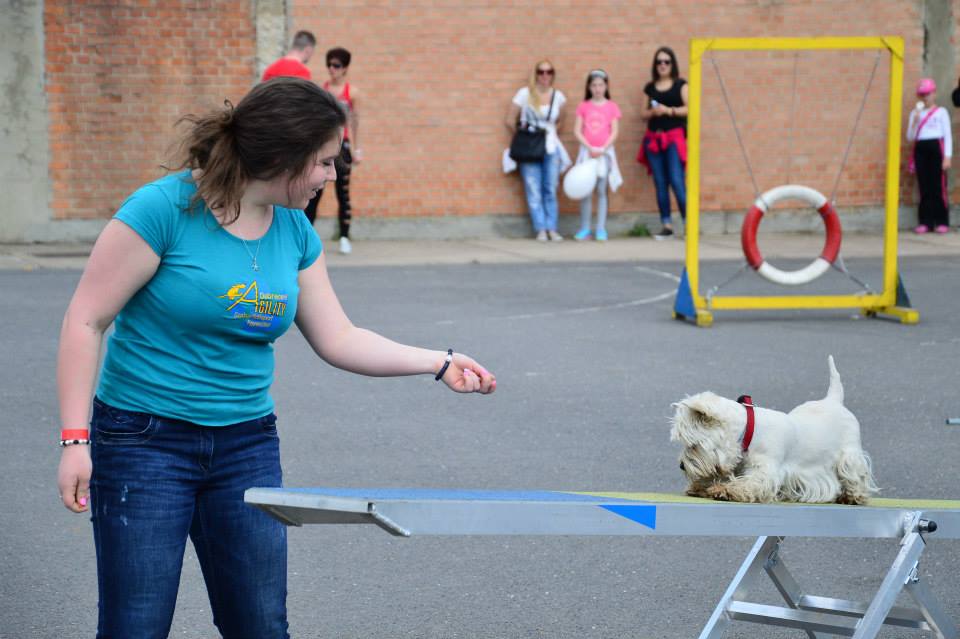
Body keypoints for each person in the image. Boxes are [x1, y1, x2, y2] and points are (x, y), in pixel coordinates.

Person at [55, 77, 496, 639]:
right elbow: (86, 319)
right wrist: (75, 441)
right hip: (144, 442)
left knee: (261, 624)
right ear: (284, 157)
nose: (331, 177)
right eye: (325, 163)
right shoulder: (163, 209)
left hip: (246, 444)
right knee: (135, 626)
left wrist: (438, 361)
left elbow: (338, 335)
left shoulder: (294, 230)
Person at [304, 46, 363, 254]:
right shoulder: (323, 90)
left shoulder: (351, 92)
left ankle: (344, 236)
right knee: (315, 191)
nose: (332, 69)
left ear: (345, 68)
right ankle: (307, 234)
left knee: (343, 193)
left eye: (336, 65)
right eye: (329, 65)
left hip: (343, 146)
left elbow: (355, 122)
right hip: (324, 145)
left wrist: (357, 149)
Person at [505, 59, 570, 242]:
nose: (545, 76)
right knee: (533, 188)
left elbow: (562, 120)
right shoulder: (525, 94)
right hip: (530, 145)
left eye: (549, 72)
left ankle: (552, 227)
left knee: (550, 186)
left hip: (550, 146)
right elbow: (510, 119)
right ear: (535, 74)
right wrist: (523, 137)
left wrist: (552, 132)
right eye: (541, 72)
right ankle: (540, 228)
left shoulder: (558, 96)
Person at [638, 46, 688, 240]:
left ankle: (688, 223)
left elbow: (690, 109)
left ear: (672, 64)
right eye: (659, 62)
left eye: (666, 61)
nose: (662, 65)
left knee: (676, 180)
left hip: (674, 137)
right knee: (660, 182)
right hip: (654, 139)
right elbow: (642, 113)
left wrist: (669, 111)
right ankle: (666, 225)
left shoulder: (681, 85)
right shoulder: (650, 88)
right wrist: (653, 112)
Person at [572, 69, 623, 242]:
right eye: (594, 85)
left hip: (604, 154)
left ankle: (600, 228)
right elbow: (577, 131)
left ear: (606, 86)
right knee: (586, 191)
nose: (597, 88)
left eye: (601, 85)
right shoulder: (583, 106)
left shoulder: (612, 106)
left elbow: (614, 131)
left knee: (601, 190)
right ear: (589, 87)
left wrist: (602, 148)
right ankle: (585, 228)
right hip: (587, 154)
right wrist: (589, 147)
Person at [907, 78, 952, 234]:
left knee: (938, 187)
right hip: (921, 149)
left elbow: (947, 135)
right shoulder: (915, 113)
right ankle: (925, 221)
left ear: (934, 94)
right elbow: (910, 137)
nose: (925, 97)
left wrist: (947, 156)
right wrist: (915, 121)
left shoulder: (941, 112)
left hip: (936, 148)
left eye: (928, 93)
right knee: (924, 186)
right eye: (922, 94)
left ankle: (942, 221)